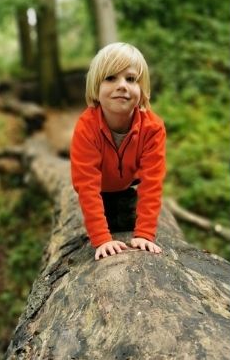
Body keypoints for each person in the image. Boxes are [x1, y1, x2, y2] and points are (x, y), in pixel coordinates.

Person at [71, 42, 166, 261]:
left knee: (126, 221)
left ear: (142, 90)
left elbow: (152, 183)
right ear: (96, 87)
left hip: (127, 187)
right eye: (111, 78)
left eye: (131, 79)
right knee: (98, 224)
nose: (122, 85)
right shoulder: (87, 127)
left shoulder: (152, 128)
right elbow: (86, 184)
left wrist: (144, 234)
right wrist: (102, 239)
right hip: (98, 189)